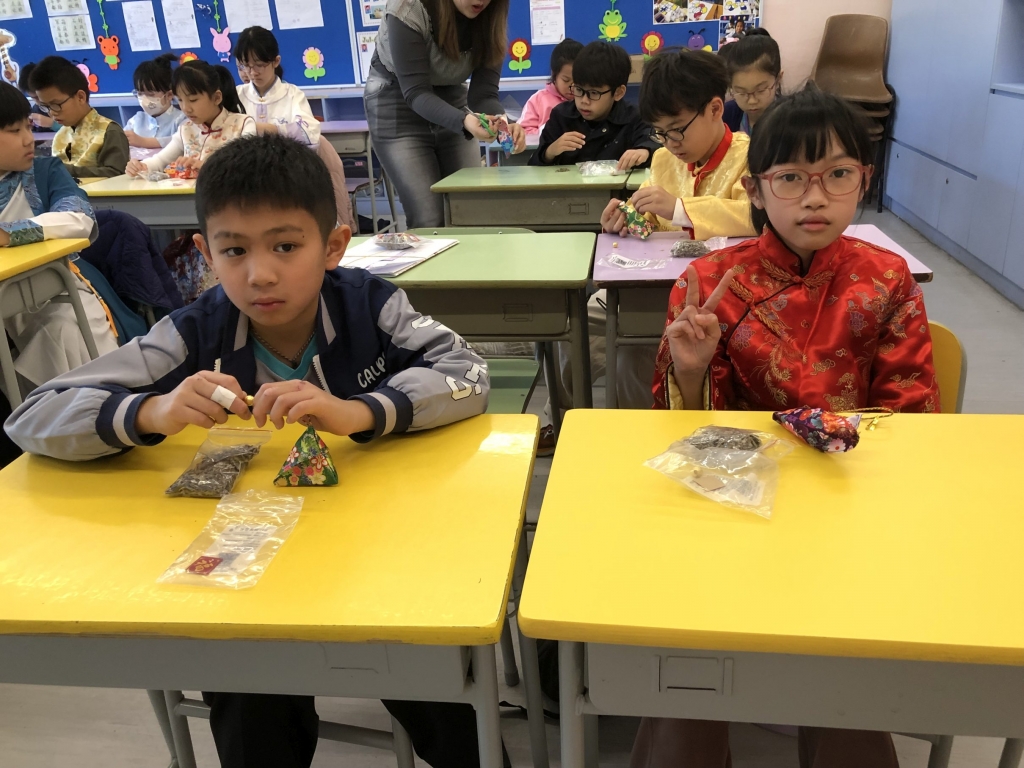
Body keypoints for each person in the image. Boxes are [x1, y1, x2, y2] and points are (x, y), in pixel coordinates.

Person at [5, 133, 496, 768]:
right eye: (234, 250)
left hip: (381, 557)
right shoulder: (192, 331)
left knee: (435, 685)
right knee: (247, 694)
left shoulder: (371, 305)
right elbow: (32, 415)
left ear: (334, 246)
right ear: (206, 253)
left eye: (286, 246)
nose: (259, 273)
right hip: (242, 567)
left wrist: (362, 411)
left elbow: (468, 373)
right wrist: (151, 411)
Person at [635, 89, 937, 767]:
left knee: (847, 692)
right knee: (689, 679)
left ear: (865, 179)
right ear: (756, 189)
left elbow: (913, 420)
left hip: (850, 506)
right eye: (792, 177)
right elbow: (684, 441)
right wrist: (691, 370)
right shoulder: (711, 281)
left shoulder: (885, 280)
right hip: (734, 509)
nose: (815, 197)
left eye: (838, 174)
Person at [0, 83, 117, 406]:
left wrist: (11, 233)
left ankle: (91, 413)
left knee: (64, 329)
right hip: (8, 307)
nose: (28, 139)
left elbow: (79, 219)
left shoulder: (45, 171)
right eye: (14, 130)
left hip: (56, 293)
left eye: (28, 126)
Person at [365, 0, 526, 229]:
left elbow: (483, 95)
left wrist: (503, 124)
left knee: (468, 208)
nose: (480, 1)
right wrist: (464, 120)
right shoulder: (408, 8)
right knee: (429, 218)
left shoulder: (492, 13)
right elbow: (416, 92)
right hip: (396, 100)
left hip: (451, 95)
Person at [601, 49, 756, 241]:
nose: (669, 144)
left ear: (714, 110)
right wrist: (623, 221)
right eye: (660, 132)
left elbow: (755, 216)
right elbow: (647, 222)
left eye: (677, 129)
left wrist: (680, 209)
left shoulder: (750, 157)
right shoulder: (664, 160)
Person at [530, 40, 658, 169]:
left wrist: (645, 151)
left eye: (594, 93)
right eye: (578, 90)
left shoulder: (635, 118)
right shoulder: (561, 116)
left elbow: (655, 145)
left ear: (618, 93)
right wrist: (550, 152)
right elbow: (533, 166)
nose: (584, 100)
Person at [125, 59, 256, 177]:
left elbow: (247, 166)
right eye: (180, 100)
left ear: (216, 98)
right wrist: (141, 166)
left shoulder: (243, 124)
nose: (186, 108)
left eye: (193, 100)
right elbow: (160, 160)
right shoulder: (186, 129)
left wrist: (206, 166)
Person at [29, 56, 129, 178]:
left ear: (80, 97)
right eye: (45, 107)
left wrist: (62, 170)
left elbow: (117, 175)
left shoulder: (109, 131)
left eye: (55, 104)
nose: (51, 113)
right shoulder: (61, 134)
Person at [235, 26, 320, 146]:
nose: (253, 72)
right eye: (246, 65)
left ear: (276, 61)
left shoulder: (292, 94)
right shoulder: (236, 95)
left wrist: (267, 129)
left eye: (259, 65)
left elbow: (311, 133)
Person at [724, 28, 782, 134]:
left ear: (778, 80)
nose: (752, 101)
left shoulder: (791, 121)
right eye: (741, 92)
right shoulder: (727, 115)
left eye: (760, 90)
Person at [519, 37, 582, 135]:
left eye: (578, 81)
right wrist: (547, 131)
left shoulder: (586, 100)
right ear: (554, 75)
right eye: (566, 80)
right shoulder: (538, 100)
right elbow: (522, 133)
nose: (572, 87)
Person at [124, 53, 186, 149]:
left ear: (169, 95)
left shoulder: (181, 119)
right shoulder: (136, 120)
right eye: (140, 94)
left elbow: (184, 140)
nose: (144, 99)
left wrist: (143, 142)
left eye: (150, 94)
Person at [17, 63, 54, 131]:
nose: (39, 101)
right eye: (34, 98)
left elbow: (74, 127)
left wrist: (52, 124)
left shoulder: (66, 104)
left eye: (39, 96)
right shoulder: (36, 110)